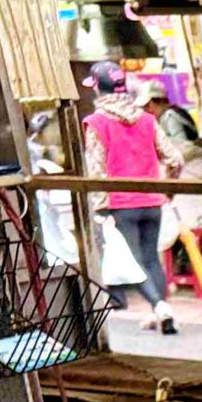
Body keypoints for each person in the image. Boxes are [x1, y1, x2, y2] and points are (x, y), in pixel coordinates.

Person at [83, 59, 183, 337]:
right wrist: (169, 190)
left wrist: (100, 207)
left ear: (98, 90)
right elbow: (175, 159)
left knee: (133, 263)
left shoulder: (96, 123)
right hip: (153, 202)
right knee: (151, 259)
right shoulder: (147, 120)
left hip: (121, 205)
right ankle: (161, 312)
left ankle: (160, 307)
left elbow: (96, 169)